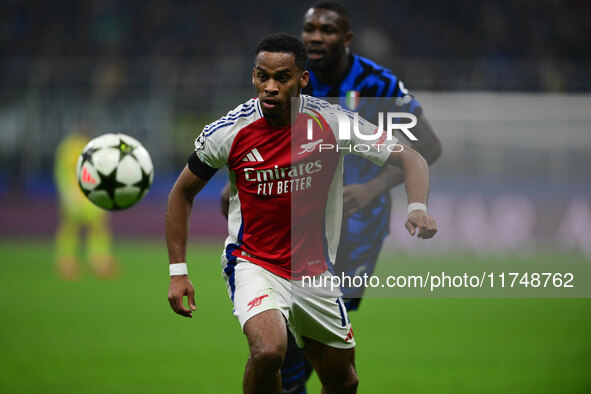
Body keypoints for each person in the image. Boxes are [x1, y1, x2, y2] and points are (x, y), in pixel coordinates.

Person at [166, 33, 437, 394]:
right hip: (253, 263)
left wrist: (417, 207)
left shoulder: (333, 122)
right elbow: (182, 193)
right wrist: (178, 272)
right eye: (263, 76)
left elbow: (410, 157)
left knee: (344, 381)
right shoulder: (229, 131)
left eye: (282, 77)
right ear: (253, 76)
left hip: (314, 271)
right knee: (268, 352)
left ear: (302, 79)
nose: (270, 87)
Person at [275, 2, 444, 392]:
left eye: (327, 30)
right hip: (298, 220)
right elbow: (266, 138)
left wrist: (373, 188)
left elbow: (428, 147)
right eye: (309, 28)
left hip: (358, 228)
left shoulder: (378, 84)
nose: (315, 36)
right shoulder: (292, 79)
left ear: (346, 38)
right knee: (290, 323)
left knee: (317, 323)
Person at [54, 128, 118, 279]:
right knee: (87, 227)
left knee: (79, 227)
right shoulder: (75, 147)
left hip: (81, 195)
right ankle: (92, 261)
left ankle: (78, 261)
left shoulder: (68, 146)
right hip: (81, 194)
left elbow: (62, 172)